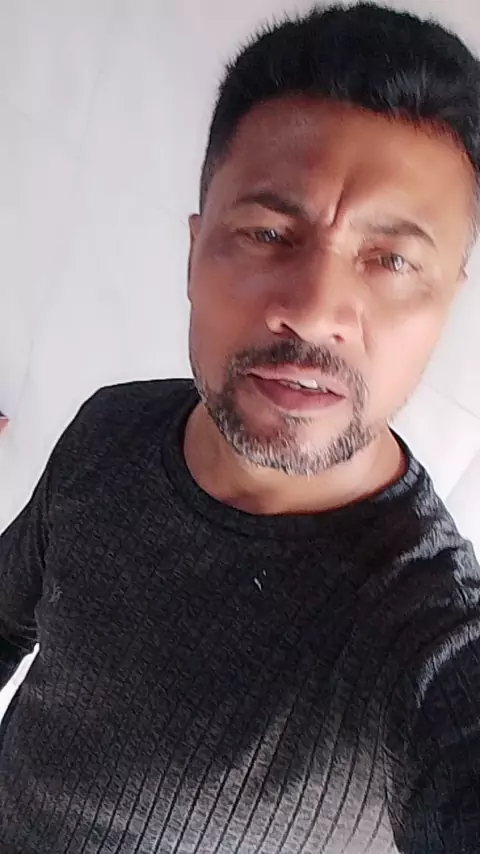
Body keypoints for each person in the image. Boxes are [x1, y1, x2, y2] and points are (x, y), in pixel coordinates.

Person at [1, 3, 480, 852]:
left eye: (392, 260)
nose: (314, 310)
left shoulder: (427, 632)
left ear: (448, 299)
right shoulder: (111, 428)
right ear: (194, 253)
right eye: (268, 233)